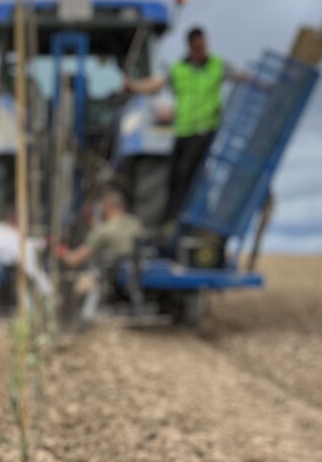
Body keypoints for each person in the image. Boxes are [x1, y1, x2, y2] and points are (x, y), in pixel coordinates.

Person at [126, 26, 250, 223]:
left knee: (188, 173)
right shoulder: (178, 68)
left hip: (205, 128)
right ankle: (169, 218)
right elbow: (156, 83)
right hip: (183, 130)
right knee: (174, 175)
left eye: (204, 45)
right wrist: (134, 86)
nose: (202, 50)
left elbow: (241, 76)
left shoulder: (218, 64)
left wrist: (266, 85)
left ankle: (181, 217)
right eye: (198, 46)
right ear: (190, 46)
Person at [57, 188, 144, 321]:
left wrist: (61, 251)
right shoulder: (135, 223)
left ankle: (84, 319)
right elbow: (114, 230)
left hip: (107, 278)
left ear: (107, 207)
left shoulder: (102, 233)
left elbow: (74, 260)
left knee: (84, 282)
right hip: (132, 271)